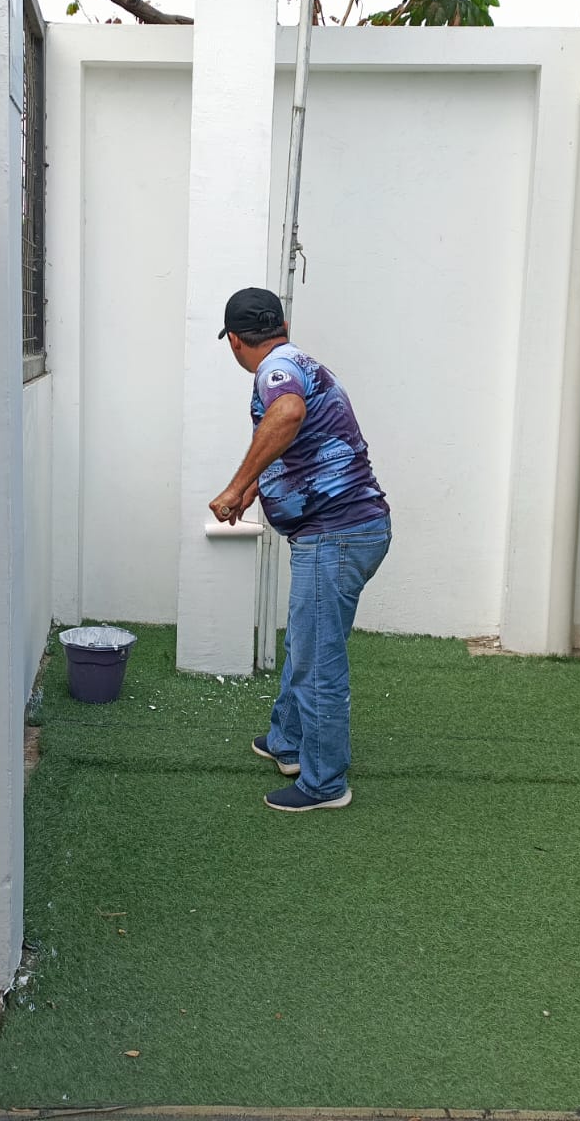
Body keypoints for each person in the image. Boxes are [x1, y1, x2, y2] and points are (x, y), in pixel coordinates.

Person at [208, 287, 390, 813]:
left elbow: (286, 414)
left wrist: (234, 485)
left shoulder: (275, 372)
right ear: (281, 326)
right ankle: (287, 741)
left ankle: (324, 783)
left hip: (335, 534)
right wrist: (251, 488)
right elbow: (297, 439)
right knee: (307, 643)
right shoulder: (299, 361)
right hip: (346, 529)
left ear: (235, 340)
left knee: (317, 661)